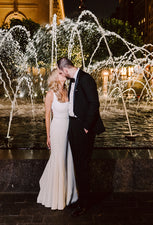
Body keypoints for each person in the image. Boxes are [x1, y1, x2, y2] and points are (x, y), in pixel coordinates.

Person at [57, 57, 105, 217]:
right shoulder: (74, 80)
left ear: (65, 69)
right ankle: (81, 199)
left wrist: (86, 126)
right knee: (77, 164)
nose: (61, 74)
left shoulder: (85, 79)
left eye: (60, 71)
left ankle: (84, 203)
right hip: (74, 126)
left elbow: (94, 103)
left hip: (83, 128)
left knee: (83, 166)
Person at [37, 68, 78, 210]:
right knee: (59, 159)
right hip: (57, 129)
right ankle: (56, 197)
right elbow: (47, 116)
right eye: (61, 73)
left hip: (69, 129)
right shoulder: (50, 94)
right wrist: (48, 136)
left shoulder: (68, 91)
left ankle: (67, 194)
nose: (64, 75)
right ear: (55, 77)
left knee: (67, 159)